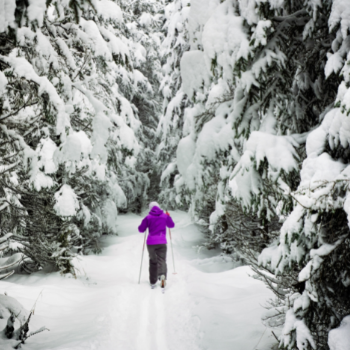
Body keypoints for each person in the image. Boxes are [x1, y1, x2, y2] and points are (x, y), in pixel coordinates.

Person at [138, 202, 175, 289]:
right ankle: (162, 278)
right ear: (159, 207)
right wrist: (168, 216)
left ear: (150, 209)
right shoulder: (164, 216)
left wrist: (146, 224)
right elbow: (171, 225)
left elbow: (141, 229)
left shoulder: (148, 217)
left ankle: (153, 281)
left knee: (153, 261)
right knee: (162, 260)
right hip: (162, 242)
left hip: (151, 243)